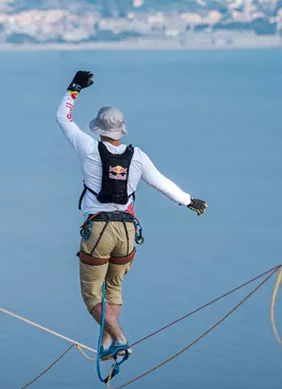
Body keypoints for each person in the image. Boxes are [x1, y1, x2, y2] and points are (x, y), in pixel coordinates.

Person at [56, 70, 207, 362]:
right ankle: (107, 345)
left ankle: (120, 338)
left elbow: (63, 119)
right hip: (127, 233)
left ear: (98, 129)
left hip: (99, 229)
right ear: (121, 129)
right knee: (112, 288)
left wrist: (74, 89)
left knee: (92, 295)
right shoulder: (137, 156)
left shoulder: (89, 148)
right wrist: (190, 201)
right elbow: (162, 183)